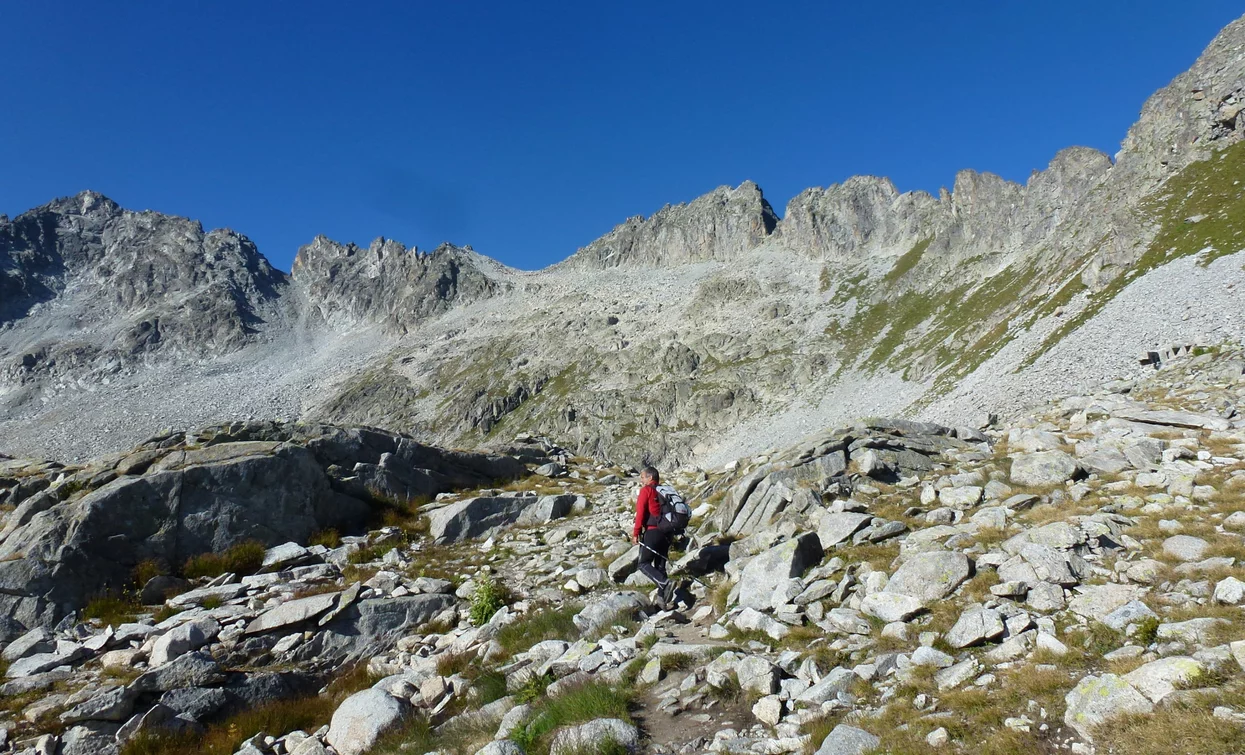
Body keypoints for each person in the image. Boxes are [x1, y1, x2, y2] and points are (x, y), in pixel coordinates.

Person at [633, 465, 676, 608]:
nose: (641, 481)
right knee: (660, 566)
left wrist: (636, 533)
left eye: (643, 477)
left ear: (650, 477)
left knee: (643, 564)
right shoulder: (664, 491)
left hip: (653, 531)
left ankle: (664, 583)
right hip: (668, 533)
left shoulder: (647, 490)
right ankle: (662, 601)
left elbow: (640, 513)